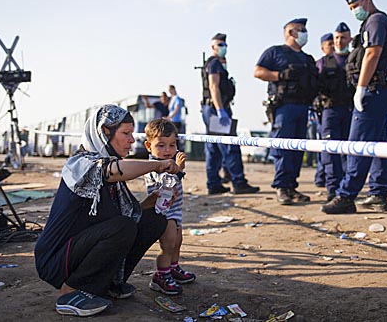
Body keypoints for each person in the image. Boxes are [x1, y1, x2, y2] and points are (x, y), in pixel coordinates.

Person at [34, 104, 179, 317]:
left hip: (84, 248)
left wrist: (153, 200)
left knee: (155, 220)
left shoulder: (110, 169)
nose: (131, 140)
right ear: (104, 132)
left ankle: (109, 283)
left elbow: (127, 213)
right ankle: (70, 292)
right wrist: (157, 165)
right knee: (123, 227)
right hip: (56, 258)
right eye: (126, 134)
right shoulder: (82, 163)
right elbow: (112, 172)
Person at [322, 0, 387, 214]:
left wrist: (361, 87)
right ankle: (378, 193)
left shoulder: (375, 21)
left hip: (373, 89)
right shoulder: (375, 22)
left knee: (358, 145)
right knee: (378, 144)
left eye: (355, 6)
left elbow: (373, 54)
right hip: (379, 89)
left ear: (367, 0)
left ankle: (346, 196)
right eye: (351, 8)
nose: (354, 11)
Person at [254, 18, 319, 205]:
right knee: (282, 147)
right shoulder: (275, 52)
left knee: (298, 149)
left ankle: (292, 187)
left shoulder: (307, 59)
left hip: (303, 107)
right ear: (291, 32)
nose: (305, 33)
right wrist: (280, 75)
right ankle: (282, 187)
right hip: (284, 107)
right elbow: (258, 72)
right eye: (301, 29)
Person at [202, 33, 259, 195]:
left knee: (213, 148)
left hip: (210, 108)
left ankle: (213, 183)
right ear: (213, 47)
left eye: (224, 45)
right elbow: (214, 87)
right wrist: (220, 110)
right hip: (216, 109)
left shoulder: (215, 63)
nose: (223, 48)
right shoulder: (214, 64)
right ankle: (238, 182)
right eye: (219, 45)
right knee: (229, 146)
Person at [143, 119, 196, 296]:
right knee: (167, 245)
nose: (167, 150)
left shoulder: (170, 162)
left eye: (172, 145)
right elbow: (166, 186)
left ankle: (173, 268)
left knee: (177, 242)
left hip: (175, 211)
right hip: (163, 213)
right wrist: (179, 170)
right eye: (161, 145)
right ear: (148, 146)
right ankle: (160, 276)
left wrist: (177, 168)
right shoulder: (153, 167)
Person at [317, 22, 355, 201]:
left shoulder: (355, 59)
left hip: (351, 110)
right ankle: (332, 188)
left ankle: (347, 188)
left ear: (350, 39)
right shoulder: (323, 62)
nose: (339, 41)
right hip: (330, 110)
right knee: (330, 150)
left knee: (351, 150)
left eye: (343, 37)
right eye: (337, 38)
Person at [313, 33, 335, 188]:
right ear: (322, 47)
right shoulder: (320, 64)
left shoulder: (342, 61)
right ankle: (321, 176)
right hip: (323, 110)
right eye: (329, 44)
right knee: (324, 145)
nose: (333, 46)